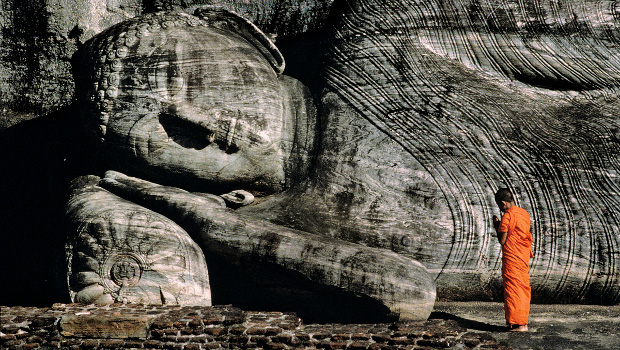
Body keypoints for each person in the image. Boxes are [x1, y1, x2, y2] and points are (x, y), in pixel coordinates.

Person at [493, 188, 533, 332]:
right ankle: (523, 323)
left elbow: (502, 240)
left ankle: (518, 324)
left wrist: (497, 226)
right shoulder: (524, 213)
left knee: (513, 288)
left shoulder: (508, 216)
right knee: (522, 288)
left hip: (512, 258)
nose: (500, 209)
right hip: (522, 256)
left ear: (503, 203)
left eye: (499, 206)